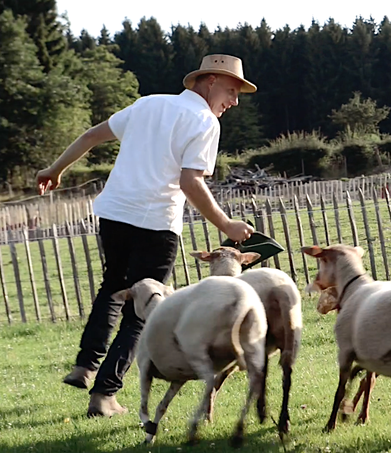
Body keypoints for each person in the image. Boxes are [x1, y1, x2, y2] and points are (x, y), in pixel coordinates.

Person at [35, 54, 257, 417]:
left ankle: (85, 366)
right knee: (142, 309)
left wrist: (55, 169)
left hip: (115, 214)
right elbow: (190, 181)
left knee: (113, 287)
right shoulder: (204, 121)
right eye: (232, 91)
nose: (233, 101)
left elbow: (92, 136)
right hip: (155, 223)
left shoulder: (147, 104)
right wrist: (226, 225)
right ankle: (104, 395)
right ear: (211, 81)